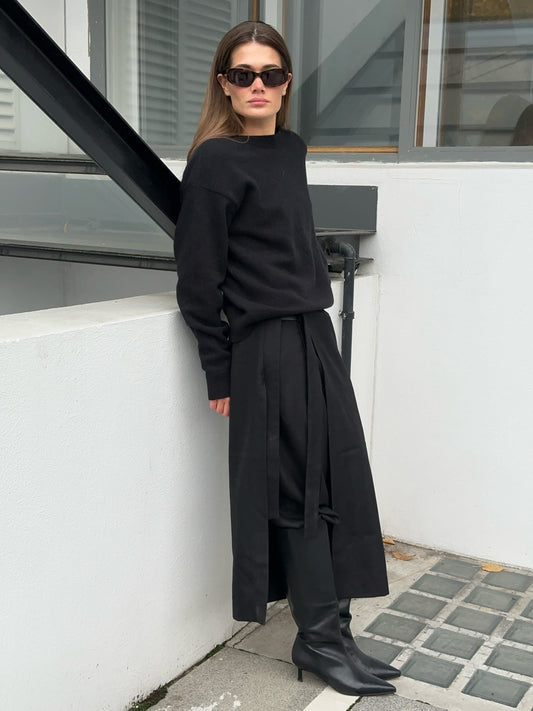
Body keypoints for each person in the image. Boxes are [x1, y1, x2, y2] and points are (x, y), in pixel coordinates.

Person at [174, 20, 399, 697]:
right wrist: (219, 369)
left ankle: (338, 630)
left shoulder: (290, 148)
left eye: (269, 74)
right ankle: (318, 638)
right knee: (298, 491)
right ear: (223, 84)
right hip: (265, 347)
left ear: (286, 82)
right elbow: (198, 279)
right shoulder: (214, 162)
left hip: (313, 335)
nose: (257, 86)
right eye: (242, 75)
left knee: (336, 479)